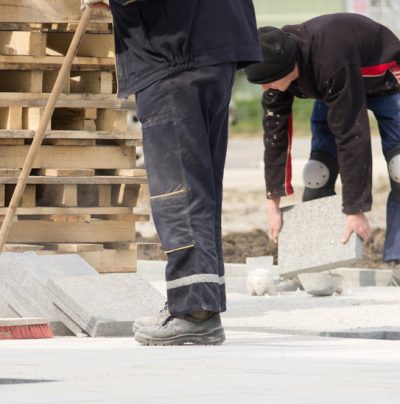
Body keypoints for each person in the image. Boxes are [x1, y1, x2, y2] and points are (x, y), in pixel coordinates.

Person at [81, 0, 262, 344]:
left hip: (174, 54)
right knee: (200, 189)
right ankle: (200, 303)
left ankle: (195, 312)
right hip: (215, 46)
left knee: (178, 192)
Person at [244, 13, 400, 281]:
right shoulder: (274, 72)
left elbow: (352, 135)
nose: (266, 89)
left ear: (288, 69)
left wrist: (355, 209)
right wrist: (273, 201)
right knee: (317, 173)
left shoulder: (329, 61)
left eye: (268, 83)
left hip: (384, 78)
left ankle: (398, 257)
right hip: (336, 87)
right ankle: (309, 259)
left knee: (399, 167)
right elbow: (275, 137)